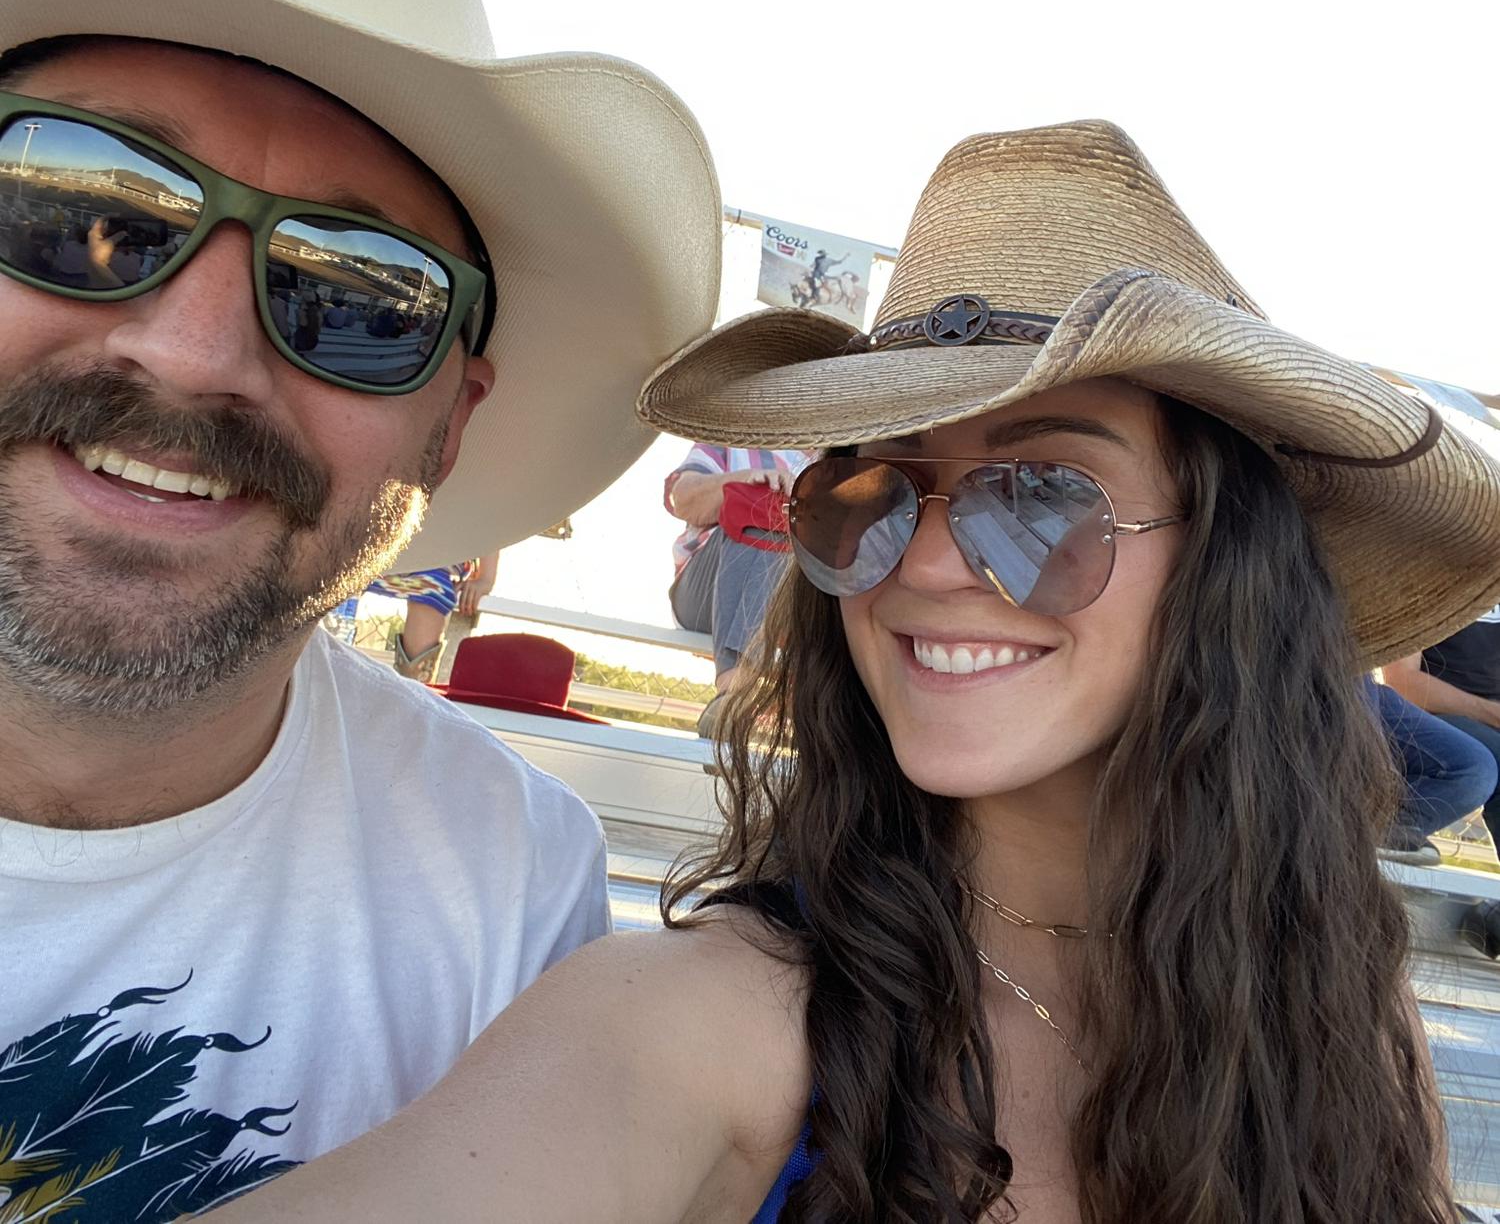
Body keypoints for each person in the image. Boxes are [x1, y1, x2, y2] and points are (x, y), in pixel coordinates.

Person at [217, 121, 1496, 1223]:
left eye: (1043, 493)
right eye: (869, 489)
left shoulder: (1338, 1007)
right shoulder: (704, 1027)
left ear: (1226, 561)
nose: (922, 566)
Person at [0, 0, 720, 1215]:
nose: (196, 352)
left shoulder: (508, 885)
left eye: (357, 295)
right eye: (87, 210)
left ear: (449, 428)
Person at [666, 444, 808, 708]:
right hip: (706, 593)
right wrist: (745, 479)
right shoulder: (734, 441)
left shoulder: (844, 461)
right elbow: (682, 499)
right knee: (770, 499)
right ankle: (734, 693)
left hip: (798, 596)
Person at [1384, 605, 1500, 858]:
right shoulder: (1423, 590)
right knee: (1489, 760)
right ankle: (1387, 826)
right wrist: (1491, 712)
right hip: (1426, 715)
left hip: (1487, 719)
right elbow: (1403, 682)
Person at [1370, 679, 1498, 865]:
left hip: (1371, 691)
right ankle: (1382, 825)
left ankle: (1392, 823)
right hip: (1433, 711)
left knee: (1478, 767)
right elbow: (1404, 681)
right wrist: (1491, 712)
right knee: (1475, 770)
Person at [365, 549, 501, 683]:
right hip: (377, 548)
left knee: (431, 593)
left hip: (442, 555)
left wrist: (486, 578)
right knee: (356, 564)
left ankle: (413, 685)